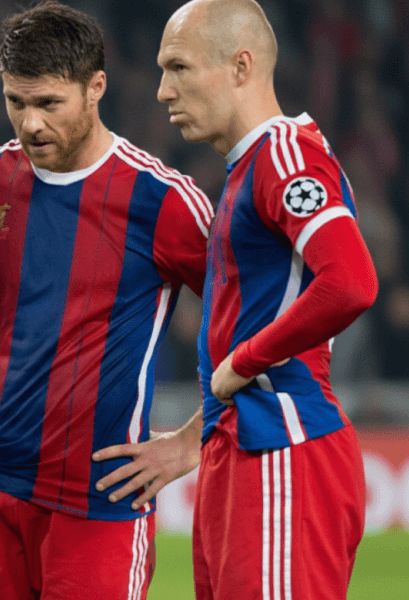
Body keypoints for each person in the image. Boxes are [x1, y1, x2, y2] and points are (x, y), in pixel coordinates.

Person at [0, 2, 213, 598]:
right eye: (15, 101)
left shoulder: (162, 201)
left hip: (96, 504)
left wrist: (187, 443)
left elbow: (255, 322)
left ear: (95, 87)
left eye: (49, 103)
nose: (30, 124)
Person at [153, 1, 378, 598]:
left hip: (284, 446)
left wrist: (246, 359)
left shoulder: (285, 154)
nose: (161, 91)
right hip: (242, 445)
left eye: (178, 67)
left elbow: (352, 280)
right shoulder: (247, 167)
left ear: (240, 66)